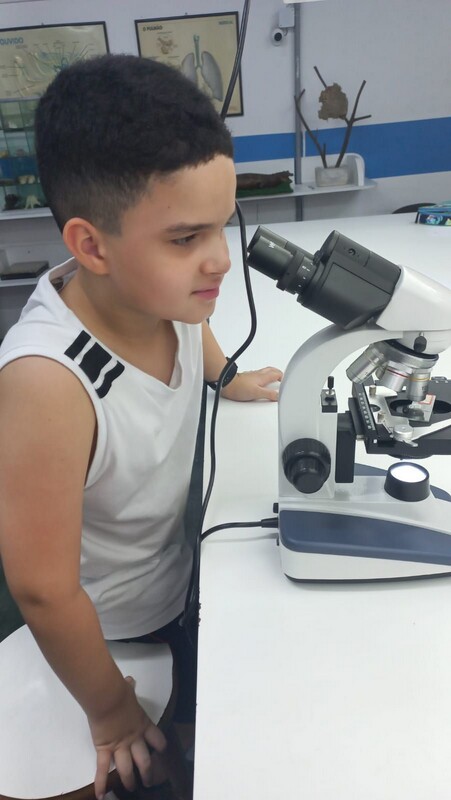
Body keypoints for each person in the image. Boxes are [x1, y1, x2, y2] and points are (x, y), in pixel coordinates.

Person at [0, 54, 282, 799]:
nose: (219, 262)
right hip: (114, 635)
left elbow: (193, 323)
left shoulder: (163, 292)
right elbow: (42, 590)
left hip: (184, 579)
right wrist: (110, 711)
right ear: (91, 246)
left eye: (223, 226)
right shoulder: (46, 384)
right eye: (186, 238)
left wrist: (225, 375)